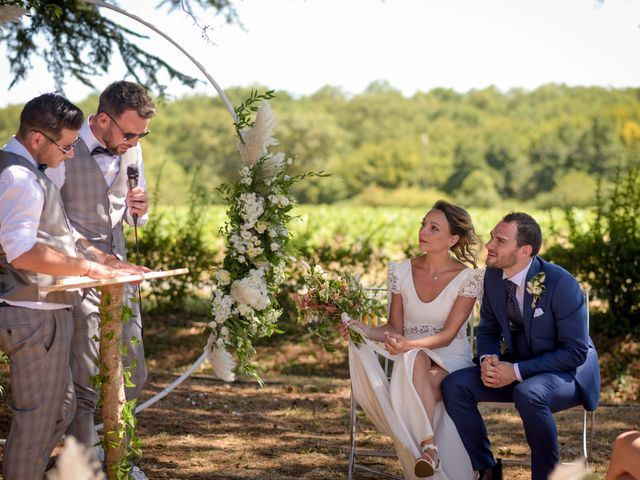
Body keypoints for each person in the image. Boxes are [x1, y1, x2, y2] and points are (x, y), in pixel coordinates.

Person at [0, 93, 137, 480]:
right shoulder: (18, 176)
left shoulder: (28, 171)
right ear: (37, 139)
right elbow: (22, 251)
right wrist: (86, 270)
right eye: (67, 145)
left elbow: (51, 234)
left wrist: (105, 261)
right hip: (32, 312)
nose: (72, 154)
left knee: (60, 408)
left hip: (45, 308)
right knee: (38, 420)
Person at [441, 212, 601, 480]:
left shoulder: (560, 284)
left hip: (567, 373)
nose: (489, 244)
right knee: (455, 385)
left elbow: (575, 351)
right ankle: (487, 469)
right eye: (492, 236)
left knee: (529, 393)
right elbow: (489, 328)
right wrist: (489, 359)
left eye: (499, 240)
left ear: (525, 250)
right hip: (515, 367)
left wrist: (514, 371)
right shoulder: (492, 277)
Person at [47, 80, 154, 477]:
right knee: (88, 381)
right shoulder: (65, 147)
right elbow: (53, 221)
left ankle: (120, 460)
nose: (134, 141)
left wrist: (139, 209)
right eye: (129, 133)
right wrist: (93, 257)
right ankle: (83, 469)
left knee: (135, 372)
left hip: (122, 273)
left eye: (141, 134)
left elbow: (128, 215)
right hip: (77, 274)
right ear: (103, 119)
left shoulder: (133, 147)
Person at [340, 200, 484, 479]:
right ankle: (429, 449)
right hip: (411, 360)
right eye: (423, 224)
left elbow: (447, 335)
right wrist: (364, 330)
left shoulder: (468, 278)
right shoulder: (401, 271)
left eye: (434, 228)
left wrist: (408, 345)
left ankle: (427, 452)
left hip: (450, 359)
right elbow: (394, 327)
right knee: (414, 361)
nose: (423, 231)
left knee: (413, 364)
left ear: (453, 239)